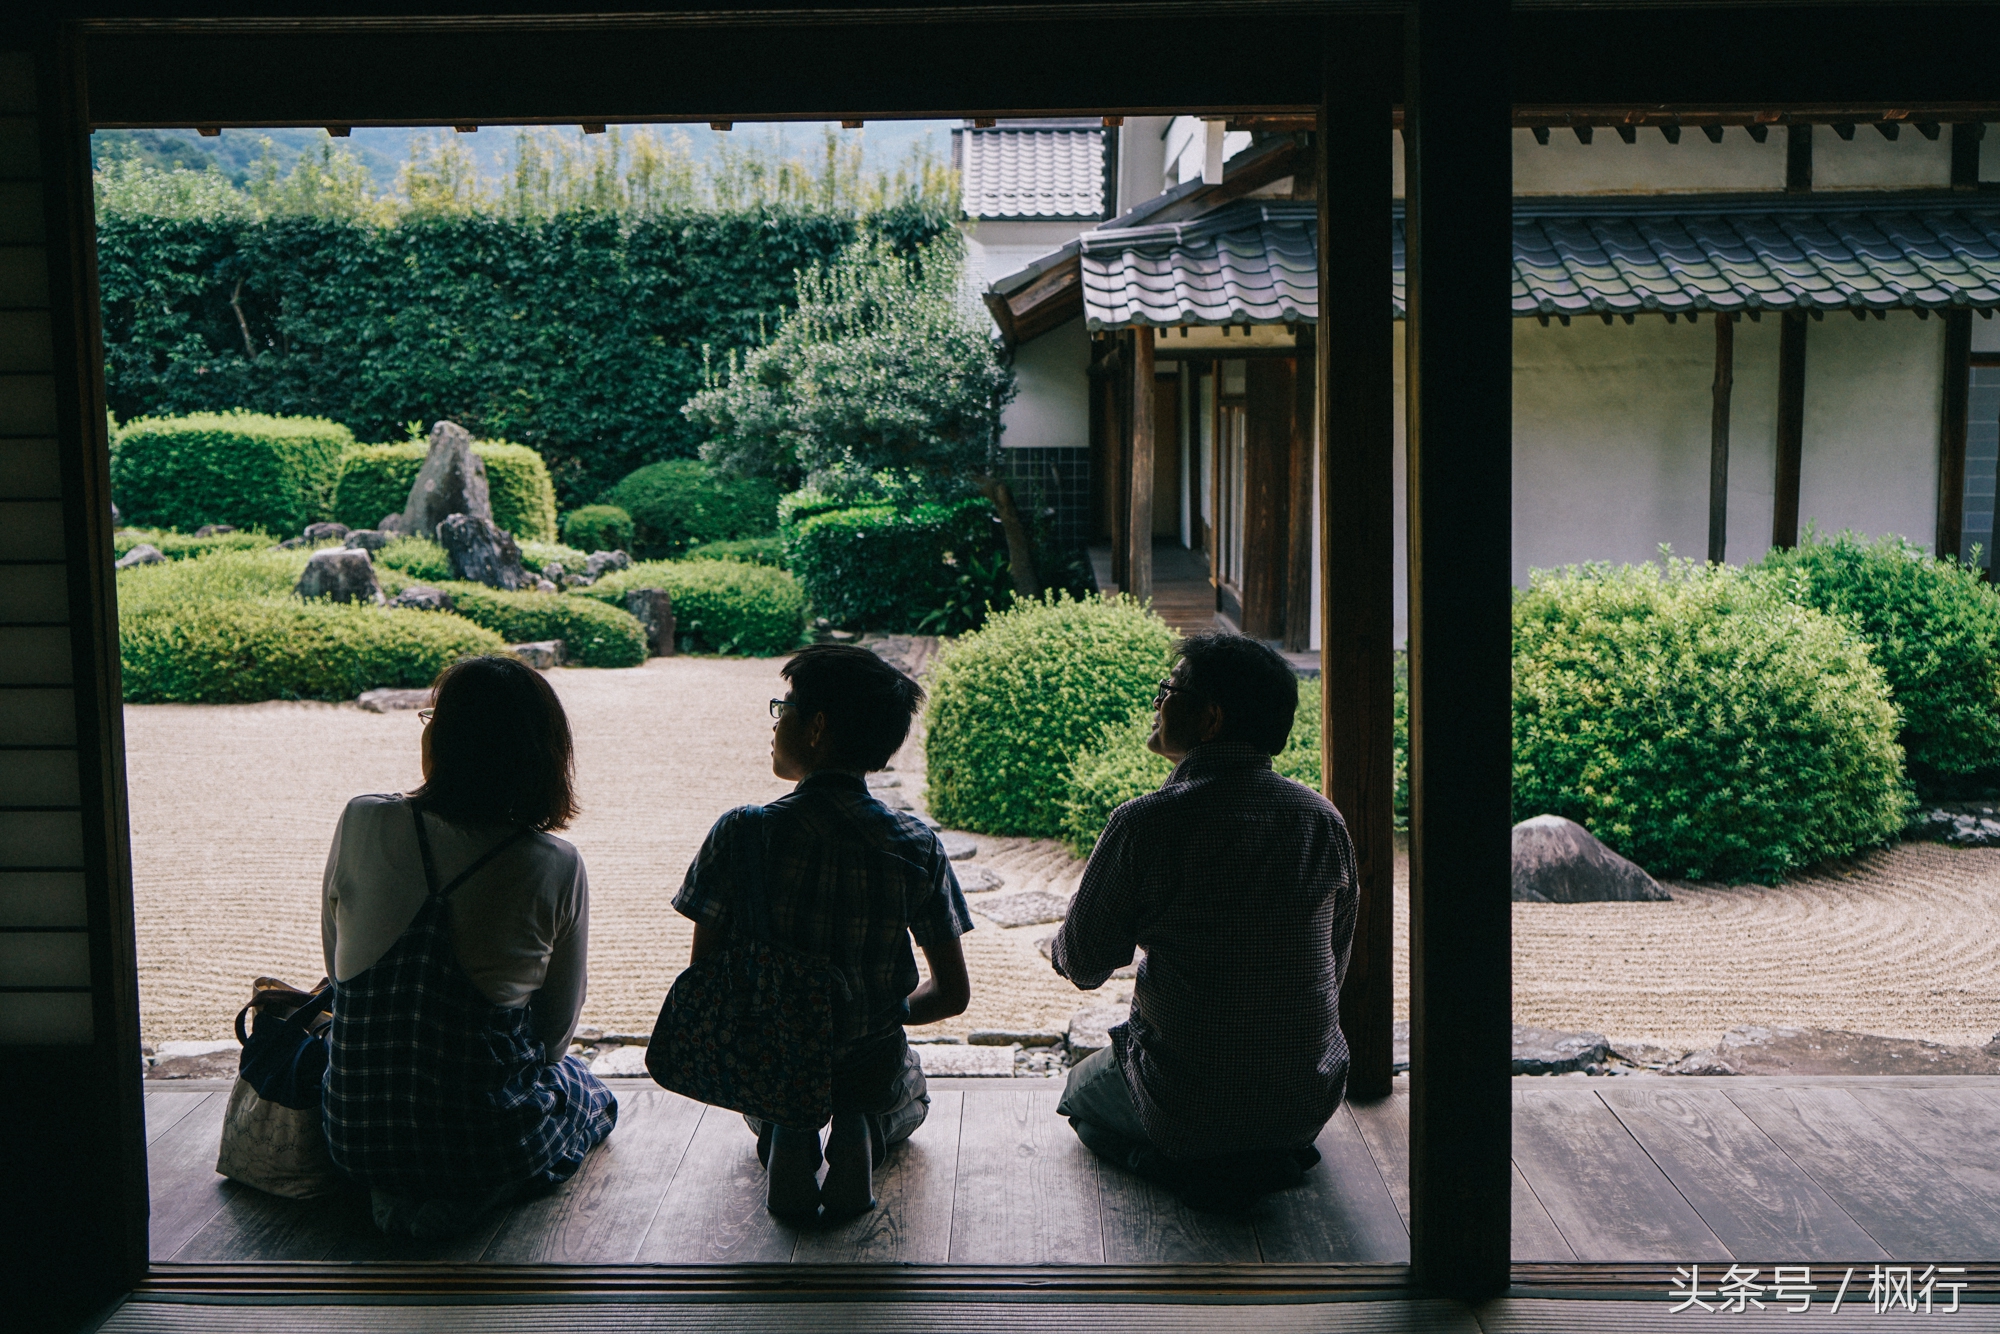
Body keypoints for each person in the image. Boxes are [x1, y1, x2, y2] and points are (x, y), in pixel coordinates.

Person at [1050, 632, 1358, 1210]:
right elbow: (1334, 960)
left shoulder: (1147, 823)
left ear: (1211, 718)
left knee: (1077, 1096)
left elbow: (1084, 965)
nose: (1157, 702)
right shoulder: (1320, 819)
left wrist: (1061, 942)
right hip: (1305, 1100)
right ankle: (1260, 1156)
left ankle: (1183, 1167)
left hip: (1185, 1102)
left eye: (1168, 689)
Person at [674, 644, 972, 1222]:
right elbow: (952, 994)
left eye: (783, 708)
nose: (774, 723)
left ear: (816, 728)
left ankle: (787, 1129)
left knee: (775, 1092)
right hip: (871, 1057)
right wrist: (879, 1013)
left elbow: (706, 978)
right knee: (909, 1091)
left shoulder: (741, 832)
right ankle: (858, 1130)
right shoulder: (917, 845)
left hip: (774, 1058)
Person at [321, 654, 616, 1238]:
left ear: (444, 738)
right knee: (590, 1092)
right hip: (485, 1142)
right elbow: (554, 1037)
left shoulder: (362, 820)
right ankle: (468, 1195)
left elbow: (337, 972)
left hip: (355, 1135)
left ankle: (408, 1193)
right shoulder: (555, 864)